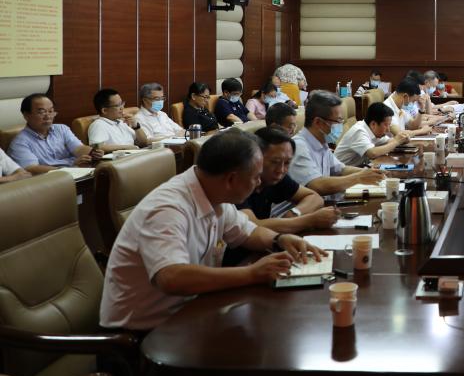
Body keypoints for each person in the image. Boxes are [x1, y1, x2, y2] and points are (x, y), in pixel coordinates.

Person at [99, 129, 327, 330]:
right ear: (231, 179)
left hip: (191, 311)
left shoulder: (215, 195)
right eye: (256, 177)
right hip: (146, 334)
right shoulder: (168, 209)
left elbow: (248, 232)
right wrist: (252, 273)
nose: (259, 183)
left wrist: (280, 239)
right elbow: (171, 277)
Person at [237, 127, 339, 233]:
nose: (281, 170)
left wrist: (294, 213)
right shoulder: (239, 182)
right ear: (256, 158)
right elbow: (251, 227)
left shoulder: (274, 177)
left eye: (287, 163)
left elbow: (315, 198)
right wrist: (310, 221)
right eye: (274, 162)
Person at [289, 90, 386, 198]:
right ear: (318, 122)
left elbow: (341, 169)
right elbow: (316, 185)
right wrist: (358, 178)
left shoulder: (321, 142)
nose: (340, 125)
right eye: (338, 121)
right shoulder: (298, 147)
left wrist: (370, 172)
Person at [9, 94, 102, 173]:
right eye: (42, 112)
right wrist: (69, 168)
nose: (48, 116)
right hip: (51, 181)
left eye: (51, 111)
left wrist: (92, 153)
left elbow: (78, 148)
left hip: (75, 172)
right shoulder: (20, 143)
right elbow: (32, 168)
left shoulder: (61, 129)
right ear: (26, 115)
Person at [335, 102, 410, 167]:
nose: (388, 130)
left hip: (359, 168)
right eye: (386, 125)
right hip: (341, 174)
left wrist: (402, 139)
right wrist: (397, 142)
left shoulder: (374, 131)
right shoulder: (359, 131)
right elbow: (372, 153)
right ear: (373, 124)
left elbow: (389, 141)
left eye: (389, 125)